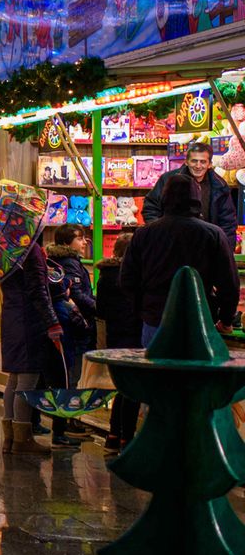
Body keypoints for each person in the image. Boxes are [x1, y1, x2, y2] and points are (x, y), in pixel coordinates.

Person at [123, 174, 240, 342]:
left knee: (156, 368)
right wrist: (226, 319)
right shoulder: (213, 234)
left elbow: (128, 278)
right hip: (199, 319)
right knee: (194, 368)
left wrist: (145, 310)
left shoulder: (144, 234)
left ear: (164, 198)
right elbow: (229, 284)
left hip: (156, 320)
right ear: (197, 199)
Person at [0, 240, 62, 456]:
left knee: (14, 378)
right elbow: (37, 291)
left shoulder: (3, 247)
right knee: (27, 378)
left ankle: (10, 437)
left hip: (11, 315)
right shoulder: (29, 249)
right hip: (29, 319)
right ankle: (22, 438)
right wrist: (52, 322)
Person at [45, 224, 96, 445]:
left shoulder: (64, 263)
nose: (84, 242)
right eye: (80, 238)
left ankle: (68, 421)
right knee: (70, 376)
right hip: (74, 327)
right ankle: (67, 422)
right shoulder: (69, 264)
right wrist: (97, 307)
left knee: (69, 376)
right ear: (67, 243)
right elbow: (78, 293)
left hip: (72, 326)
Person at [143, 141, 238, 247]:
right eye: (194, 161)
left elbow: (228, 221)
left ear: (210, 164)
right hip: (171, 244)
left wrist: (226, 249)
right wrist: (160, 235)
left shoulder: (220, 185)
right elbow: (150, 208)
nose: (198, 166)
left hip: (206, 247)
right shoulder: (168, 180)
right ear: (186, 162)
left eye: (203, 161)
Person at [95, 233, 138, 454]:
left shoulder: (105, 276)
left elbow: (99, 310)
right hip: (132, 337)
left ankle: (113, 435)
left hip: (113, 338)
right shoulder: (133, 275)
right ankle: (126, 439)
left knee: (122, 388)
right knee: (131, 391)